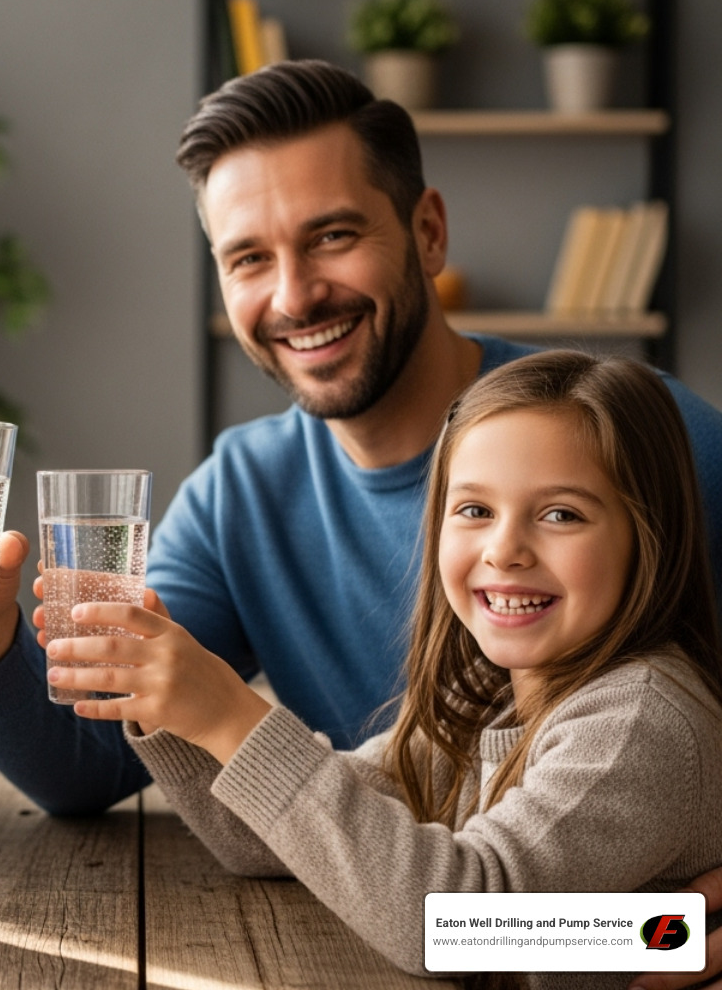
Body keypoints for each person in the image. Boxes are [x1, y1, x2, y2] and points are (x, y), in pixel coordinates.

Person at [0, 59, 722, 812]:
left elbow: (478, 907)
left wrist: (643, 926)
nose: (295, 296)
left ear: (428, 232)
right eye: (249, 259)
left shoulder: (640, 438)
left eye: (333, 236)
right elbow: (92, 765)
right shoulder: (240, 496)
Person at [49, 350, 722, 990]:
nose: (505, 549)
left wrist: (232, 716)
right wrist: (163, 706)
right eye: (475, 510)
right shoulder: (486, 695)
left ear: (649, 540)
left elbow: (459, 924)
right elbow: (279, 841)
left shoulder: (639, 720)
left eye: (560, 514)